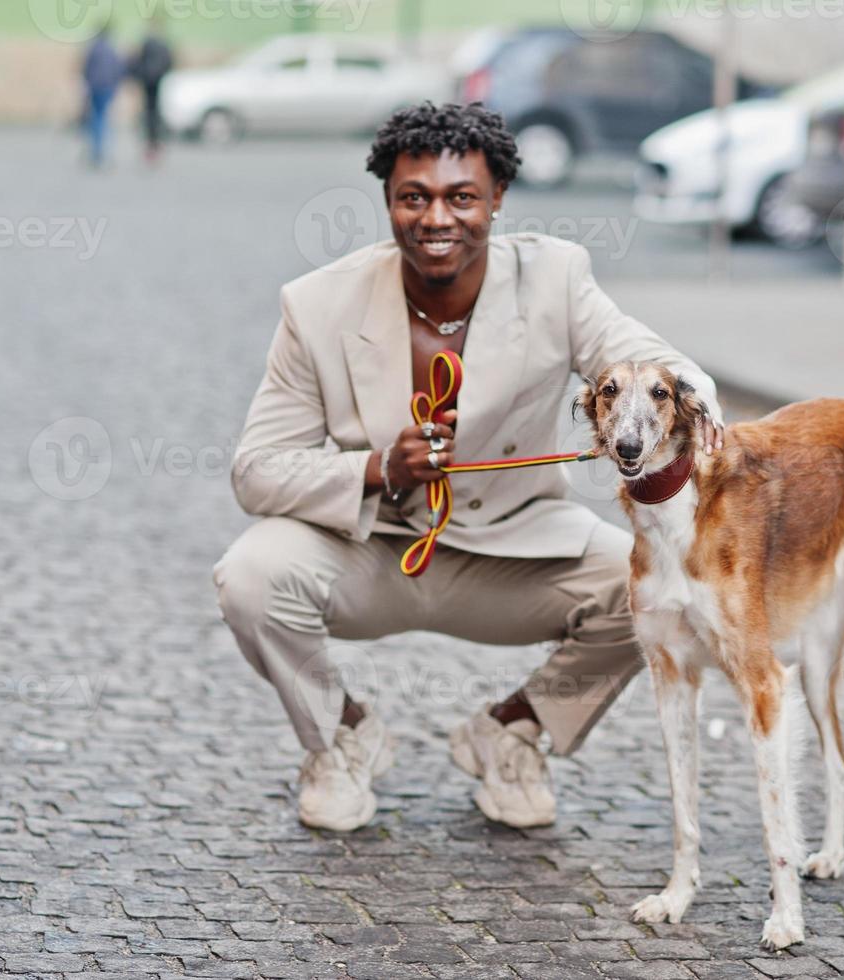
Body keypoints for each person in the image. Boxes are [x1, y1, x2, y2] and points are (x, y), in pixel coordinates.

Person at [212, 102, 725, 833]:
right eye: (413, 197)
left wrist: (699, 405)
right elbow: (256, 471)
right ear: (388, 200)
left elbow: (643, 355)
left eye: (461, 197)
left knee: (656, 583)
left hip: (513, 551)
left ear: (497, 200)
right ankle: (340, 738)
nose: (436, 218)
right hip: (371, 549)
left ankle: (512, 732)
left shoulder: (555, 276)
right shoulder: (316, 305)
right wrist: (377, 468)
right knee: (249, 578)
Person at [81, 25, 125, 167]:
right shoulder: (112, 49)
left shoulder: (93, 49)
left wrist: (87, 84)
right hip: (107, 88)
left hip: (95, 87)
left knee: (96, 118)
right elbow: (118, 69)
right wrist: (115, 86)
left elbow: (86, 68)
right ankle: (105, 150)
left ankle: (97, 151)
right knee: (104, 118)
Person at [132, 27, 173, 164]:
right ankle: (155, 141)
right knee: (156, 111)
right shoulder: (164, 45)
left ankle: (151, 142)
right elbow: (169, 62)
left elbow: (139, 62)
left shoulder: (147, 44)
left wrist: (140, 76)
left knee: (149, 112)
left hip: (148, 82)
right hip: (158, 82)